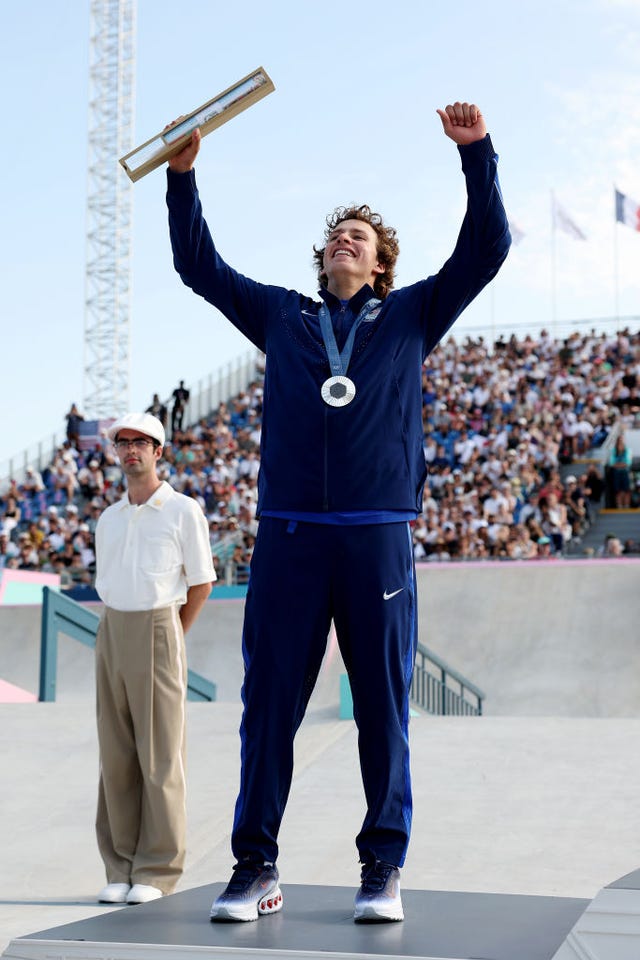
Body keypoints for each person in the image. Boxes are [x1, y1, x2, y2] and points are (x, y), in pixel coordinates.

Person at [166, 100, 510, 923]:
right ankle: (255, 868)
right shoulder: (284, 315)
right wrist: (182, 179)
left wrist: (477, 155)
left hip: (377, 537)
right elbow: (199, 267)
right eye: (338, 234)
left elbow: (487, 248)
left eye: (363, 236)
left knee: (384, 708)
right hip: (289, 535)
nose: (347, 239)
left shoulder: (414, 316)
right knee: (269, 708)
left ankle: (382, 867)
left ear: (382, 261)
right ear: (323, 255)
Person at [93, 412, 215, 906]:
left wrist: (174, 637)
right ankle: (119, 864)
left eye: (140, 443)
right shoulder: (109, 517)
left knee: (161, 755)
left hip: (160, 624)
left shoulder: (183, 510)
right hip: (112, 629)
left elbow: (201, 581)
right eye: (122, 443)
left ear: (158, 451)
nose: (130, 451)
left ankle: (158, 868)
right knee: (116, 754)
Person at [608, 433, 633, 508]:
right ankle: (619, 505)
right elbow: (611, 463)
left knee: (627, 490)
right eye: (619, 440)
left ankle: (626, 505)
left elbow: (628, 462)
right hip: (616, 473)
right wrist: (621, 464)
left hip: (625, 472)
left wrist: (618, 464)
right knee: (618, 490)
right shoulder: (613, 451)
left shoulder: (628, 450)